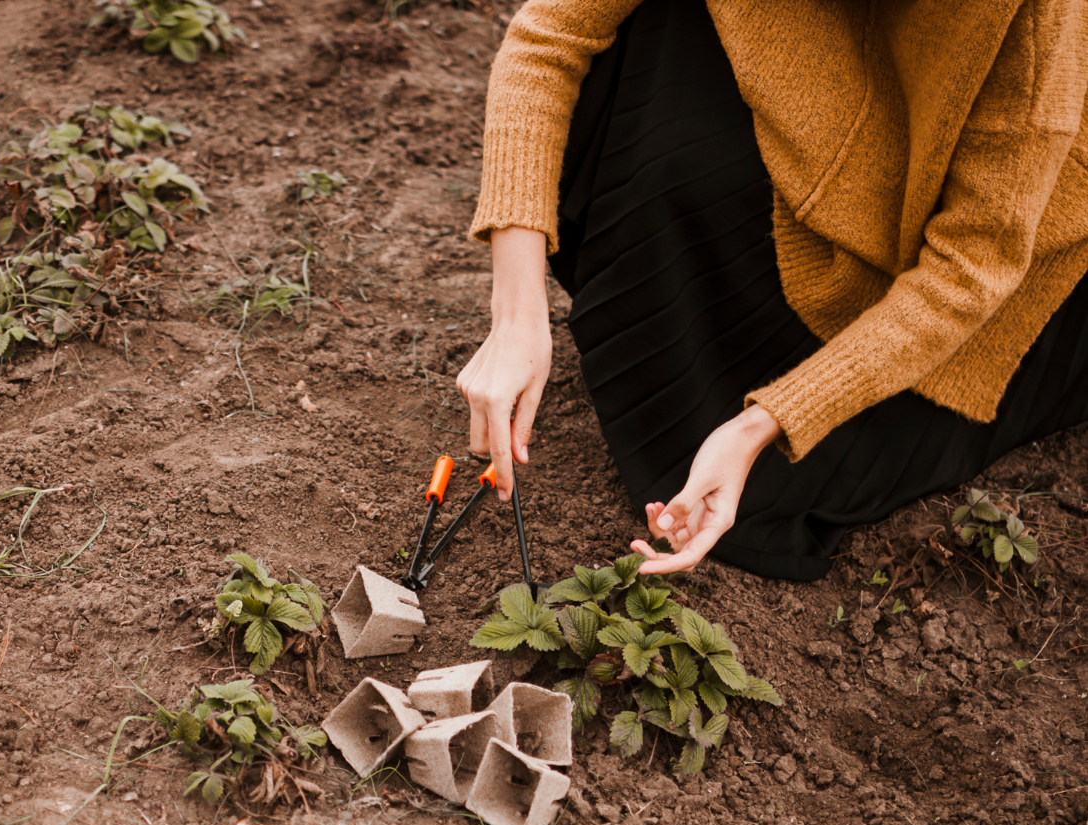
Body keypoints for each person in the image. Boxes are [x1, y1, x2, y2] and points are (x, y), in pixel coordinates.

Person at [456, 0, 1088, 581]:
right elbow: (548, 38)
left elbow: (971, 269)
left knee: (756, 485)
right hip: (830, 131)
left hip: (997, 254)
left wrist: (764, 424)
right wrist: (517, 314)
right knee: (654, 25)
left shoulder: (1037, 21)